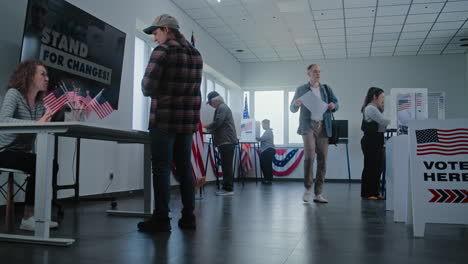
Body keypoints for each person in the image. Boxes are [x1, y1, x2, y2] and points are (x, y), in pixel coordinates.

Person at [138, 14, 203, 232]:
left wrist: (159, 89)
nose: (155, 38)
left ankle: (161, 219)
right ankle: (188, 217)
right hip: (186, 122)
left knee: (161, 168)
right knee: (184, 167)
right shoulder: (196, 55)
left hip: (164, 120)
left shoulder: (163, 51)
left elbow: (147, 87)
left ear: (166, 29)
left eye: (156, 33)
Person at [0, 60, 56, 231]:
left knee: (51, 164)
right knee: (38, 164)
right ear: (29, 76)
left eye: (47, 75)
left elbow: (39, 128)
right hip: (4, 151)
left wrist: (46, 123)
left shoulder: (40, 104)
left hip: (21, 152)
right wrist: (37, 122)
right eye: (42, 74)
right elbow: (4, 120)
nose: (47, 78)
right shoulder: (13, 94)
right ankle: (28, 217)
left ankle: (40, 215)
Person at [290, 64, 339, 203]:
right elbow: (292, 108)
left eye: (319, 72)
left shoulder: (326, 88)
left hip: (323, 126)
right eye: (315, 71)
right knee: (310, 156)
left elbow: (336, 103)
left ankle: (318, 193)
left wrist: (333, 106)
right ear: (308, 74)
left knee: (323, 159)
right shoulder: (301, 89)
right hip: (308, 126)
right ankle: (307, 189)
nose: (318, 74)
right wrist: (296, 104)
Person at [203, 91, 237, 196]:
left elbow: (218, 122)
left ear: (216, 100)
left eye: (211, 102)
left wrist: (205, 126)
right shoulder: (223, 107)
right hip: (226, 141)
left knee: (226, 165)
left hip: (226, 141)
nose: (211, 105)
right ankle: (227, 187)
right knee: (227, 165)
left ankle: (228, 189)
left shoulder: (222, 108)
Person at [360, 87, 390, 200]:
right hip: (370, 141)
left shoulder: (376, 109)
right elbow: (383, 122)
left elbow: (382, 126)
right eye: (382, 97)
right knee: (370, 167)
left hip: (377, 140)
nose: (383, 99)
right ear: (374, 97)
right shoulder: (370, 108)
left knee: (378, 167)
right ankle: (368, 193)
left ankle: (375, 192)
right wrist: (393, 119)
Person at [257, 119, 275, 184]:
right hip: (268, 150)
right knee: (267, 165)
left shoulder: (268, 132)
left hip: (267, 149)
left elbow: (262, 139)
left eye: (263, 124)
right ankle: (268, 179)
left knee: (265, 165)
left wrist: (254, 136)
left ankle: (267, 179)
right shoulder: (267, 131)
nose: (262, 126)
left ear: (267, 124)